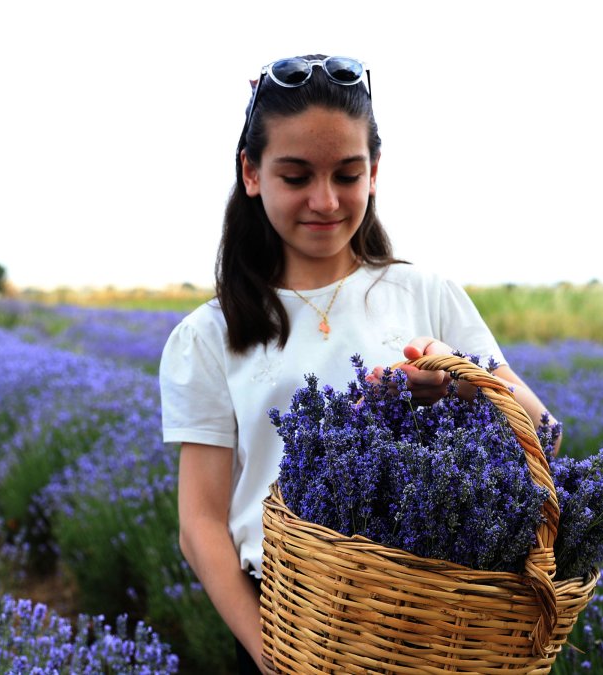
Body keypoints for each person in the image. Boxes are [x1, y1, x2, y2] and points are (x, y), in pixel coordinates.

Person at [158, 55, 555, 675]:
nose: (325, 200)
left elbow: (543, 432)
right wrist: (271, 657)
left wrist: (459, 384)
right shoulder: (209, 336)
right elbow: (201, 525)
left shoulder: (427, 295)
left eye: (347, 174)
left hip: (441, 619)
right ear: (252, 173)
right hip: (292, 621)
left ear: (375, 174)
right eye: (296, 177)